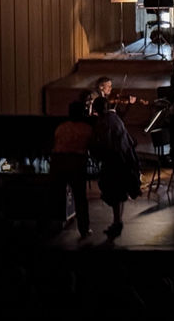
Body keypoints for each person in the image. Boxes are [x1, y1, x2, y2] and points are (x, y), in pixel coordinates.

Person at [90, 97, 141, 240]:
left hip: (115, 161)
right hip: (125, 159)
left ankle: (117, 222)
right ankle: (117, 222)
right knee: (119, 193)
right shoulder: (114, 118)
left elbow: (104, 145)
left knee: (114, 192)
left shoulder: (104, 122)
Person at [51, 100, 95, 238]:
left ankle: (54, 225)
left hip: (58, 162)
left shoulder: (61, 127)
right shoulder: (87, 128)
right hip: (76, 163)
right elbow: (91, 147)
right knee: (80, 197)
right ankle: (84, 229)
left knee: (57, 195)